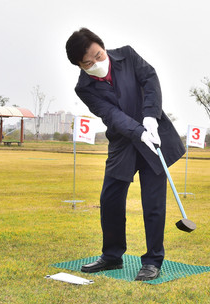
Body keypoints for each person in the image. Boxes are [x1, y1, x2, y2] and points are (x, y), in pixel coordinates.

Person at [65, 28, 185, 281]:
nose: (97, 63)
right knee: (110, 199)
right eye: (88, 62)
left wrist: (151, 117)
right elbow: (110, 114)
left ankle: (153, 260)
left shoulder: (127, 56)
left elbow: (150, 79)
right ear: (79, 65)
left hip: (154, 138)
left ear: (103, 47)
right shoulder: (84, 87)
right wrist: (138, 131)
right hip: (123, 143)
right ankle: (112, 255)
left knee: (153, 202)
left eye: (99, 55)